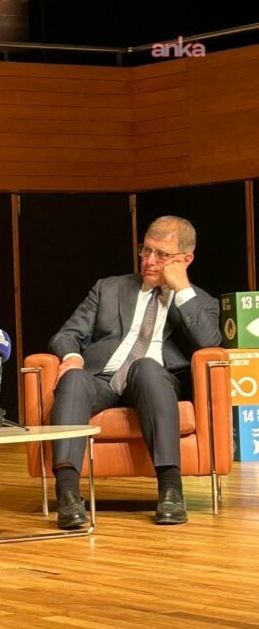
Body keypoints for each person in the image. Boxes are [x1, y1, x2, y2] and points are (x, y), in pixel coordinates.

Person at [47, 215, 221, 528]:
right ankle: (69, 495)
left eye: (162, 255)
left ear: (185, 259)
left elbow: (210, 343)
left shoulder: (200, 302)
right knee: (73, 378)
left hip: (153, 382)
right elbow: (66, 334)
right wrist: (72, 356)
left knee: (147, 367)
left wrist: (180, 289)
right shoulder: (109, 288)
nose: (150, 261)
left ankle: (171, 490)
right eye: (146, 250)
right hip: (102, 380)